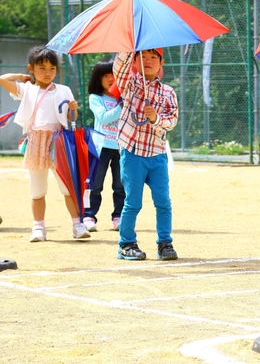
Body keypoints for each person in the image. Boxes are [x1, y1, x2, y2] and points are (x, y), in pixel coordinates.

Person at [0, 47, 91, 242]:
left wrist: (73, 110)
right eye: (41, 68)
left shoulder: (64, 90)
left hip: (59, 142)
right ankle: (38, 228)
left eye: (52, 68)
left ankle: (78, 225)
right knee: (37, 190)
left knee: (68, 187)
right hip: (35, 142)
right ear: (31, 68)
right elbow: (2, 79)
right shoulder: (26, 89)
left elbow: (70, 119)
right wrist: (22, 77)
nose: (48, 72)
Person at [113, 49, 178, 261]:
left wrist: (156, 118)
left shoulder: (168, 92)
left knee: (163, 201)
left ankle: (165, 243)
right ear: (134, 61)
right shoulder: (129, 85)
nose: (148, 61)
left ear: (161, 63)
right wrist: (127, 45)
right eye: (142, 57)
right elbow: (119, 69)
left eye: (153, 57)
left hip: (157, 155)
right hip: (132, 153)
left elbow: (172, 120)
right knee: (133, 202)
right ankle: (126, 244)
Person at [84, 59, 124, 232]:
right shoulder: (96, 98)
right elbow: (104, 118)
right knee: (95, 184)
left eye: (114, 75)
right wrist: (122, 106)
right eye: (105, 75)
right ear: (98, 78)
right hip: (100, 147)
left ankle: (119, 217)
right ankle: (88, 216)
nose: (110, 79)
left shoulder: (123, 97)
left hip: (121, 147)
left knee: (121, 185)